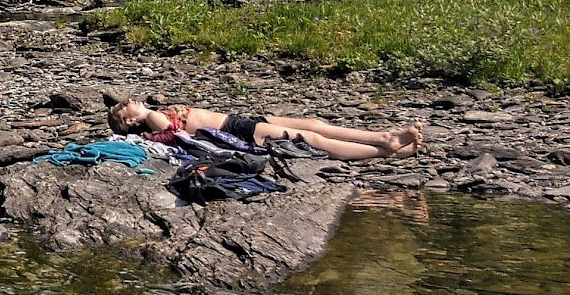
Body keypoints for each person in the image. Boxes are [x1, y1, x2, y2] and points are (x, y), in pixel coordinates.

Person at [106, 96, 423, 161]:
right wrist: (144, 113)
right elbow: (171, 129)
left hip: (239, 121)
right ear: (129, 120)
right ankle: (385, 148)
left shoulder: (150, 117)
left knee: (313, 125)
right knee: (312, 139)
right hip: (238, 131)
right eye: (125, 106)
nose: (130, 100)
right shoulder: (151, 119)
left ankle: (385, 140)